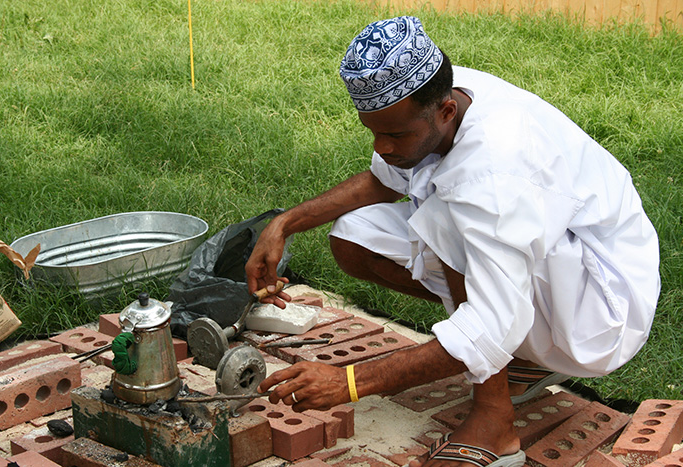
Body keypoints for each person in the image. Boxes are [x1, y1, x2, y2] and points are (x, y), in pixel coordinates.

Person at [247, 16, 660, 467]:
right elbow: (383, 181)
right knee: (354, 237)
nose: (382, 146)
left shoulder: (491, 176)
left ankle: (495, 422)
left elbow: (492, 318)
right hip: (554, 265)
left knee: (449, 219)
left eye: (394, 134)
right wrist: (284, 224)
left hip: (599, 308)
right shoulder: (443, 94)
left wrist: (348, 381)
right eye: (374, 132)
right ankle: (525, 356)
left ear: (445, 112)